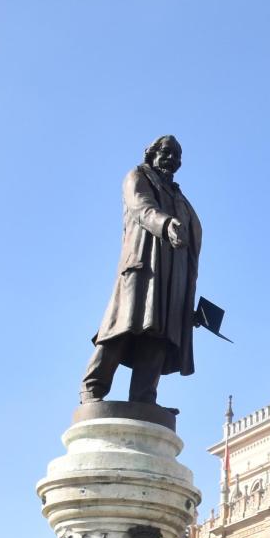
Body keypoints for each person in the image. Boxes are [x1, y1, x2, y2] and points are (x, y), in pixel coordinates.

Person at [82, 134, 207, 405]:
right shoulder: (137, 177)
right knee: (122, 327)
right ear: (151, 154)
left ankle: (144, 398)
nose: (172, 159)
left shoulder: (180, 198)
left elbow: (194, 236)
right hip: (144, 267)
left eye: (177, 156)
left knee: (159, 336)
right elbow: (142, 208)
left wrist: (187, 299)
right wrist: (166, 224)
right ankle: (93, 388)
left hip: (174, 278)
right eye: (166, 152)